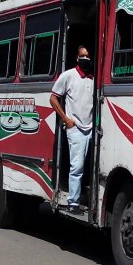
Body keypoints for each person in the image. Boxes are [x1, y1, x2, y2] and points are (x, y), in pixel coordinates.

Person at [49, 46, 94, 215]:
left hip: (91, 129)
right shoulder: (68, 75)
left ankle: (84, 198)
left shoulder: (92, 79)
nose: (85, 59)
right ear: (77, 58)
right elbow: (53, 98)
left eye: (88, 56)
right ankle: (72, 202)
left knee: (90, 167)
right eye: (83, 56)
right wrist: (66, 120)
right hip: (75, 128)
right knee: (77, 166)